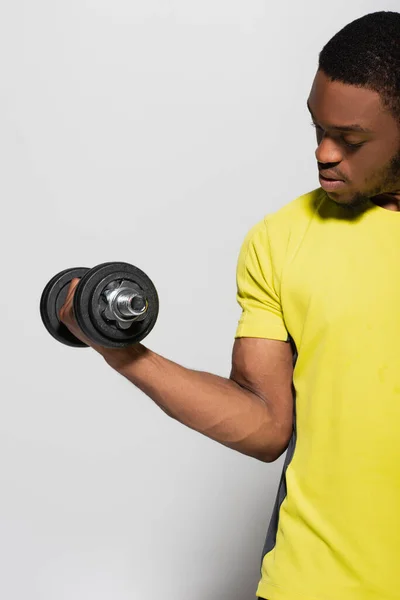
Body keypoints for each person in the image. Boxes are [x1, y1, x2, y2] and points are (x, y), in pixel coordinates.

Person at [58, 11, 400, 600]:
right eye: (317, 128)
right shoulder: (280, 239)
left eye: (350, 139)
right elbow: (265, 425)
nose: (323, 152)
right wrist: (122, 352)